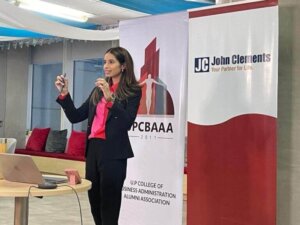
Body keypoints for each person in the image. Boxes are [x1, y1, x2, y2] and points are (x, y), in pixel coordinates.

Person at [55, 47, 142, 225]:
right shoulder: (98, 90)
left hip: (114, 153)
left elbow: (126, 123)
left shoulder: (132, 91)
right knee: (94, 200)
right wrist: (64, 94)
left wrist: (111, 99)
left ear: (123, 66)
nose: (106, 66)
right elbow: (76, 116)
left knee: (109, 204)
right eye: (104, 62)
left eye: (111, 62)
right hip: (93, 150)